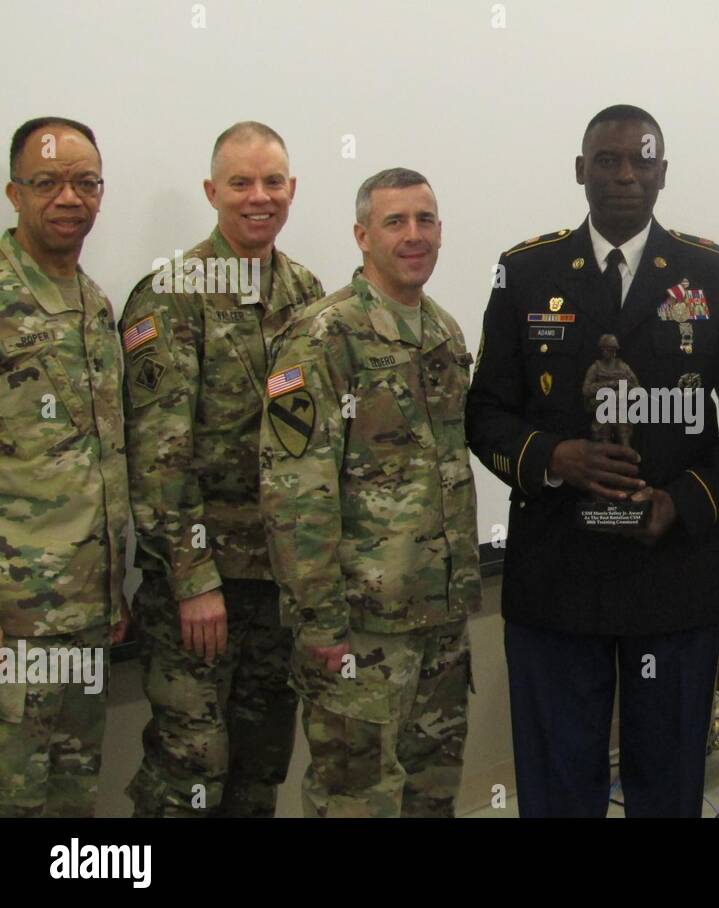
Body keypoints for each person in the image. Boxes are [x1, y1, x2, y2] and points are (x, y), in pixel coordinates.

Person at [466, 104, 719, 817]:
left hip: (671, 577)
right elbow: (484, 411)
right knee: (556, 788)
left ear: (662, 173)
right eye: (608, 161)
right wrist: (555, 457)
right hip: (556, 577)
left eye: (642, 161)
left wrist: (686, 500)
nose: (625, 176)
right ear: (581, 171)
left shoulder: (715, 276)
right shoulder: (524, 272)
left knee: (668, 786)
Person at [261, 168, 479, 818]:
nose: (415, 236)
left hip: (439, 617)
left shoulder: (444, 332)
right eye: (395, 221)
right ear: (362, 235)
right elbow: (294, 490)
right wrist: (320, 621)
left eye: (426, 220)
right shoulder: (321, 337)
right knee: (356, 802)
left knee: (431, 797)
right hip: (361, 630)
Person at [118, 121, 323, 817]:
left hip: (280, 582)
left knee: (261, 766)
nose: (257, 197)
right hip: (200, 592)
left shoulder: (307, 294)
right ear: (213, 192)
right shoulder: (172, 296)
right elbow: (157, 458)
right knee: (191, 770)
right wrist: (193, 580)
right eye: (240, 183)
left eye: (272, 182)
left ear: (292, 189)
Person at [0, 116, 130, 817]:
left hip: (84, 615)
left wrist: (110, 591)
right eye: (47, 182)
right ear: (15, 193)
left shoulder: (94, 306)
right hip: (13, 621)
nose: (68, 198)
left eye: (84, 182)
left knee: (71, 799)